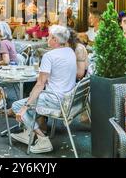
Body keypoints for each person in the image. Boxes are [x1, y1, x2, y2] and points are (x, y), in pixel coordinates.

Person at [11, 25, 77, 154]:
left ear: (55, 39)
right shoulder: (70, 51)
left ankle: (42, 138)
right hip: (68, 98)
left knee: (17, 106)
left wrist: (25, 106)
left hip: (55, 100)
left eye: (49, 36)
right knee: (31, 99)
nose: (47, 38)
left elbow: (40, 84)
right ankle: (27, 133)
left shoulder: (49, 56)